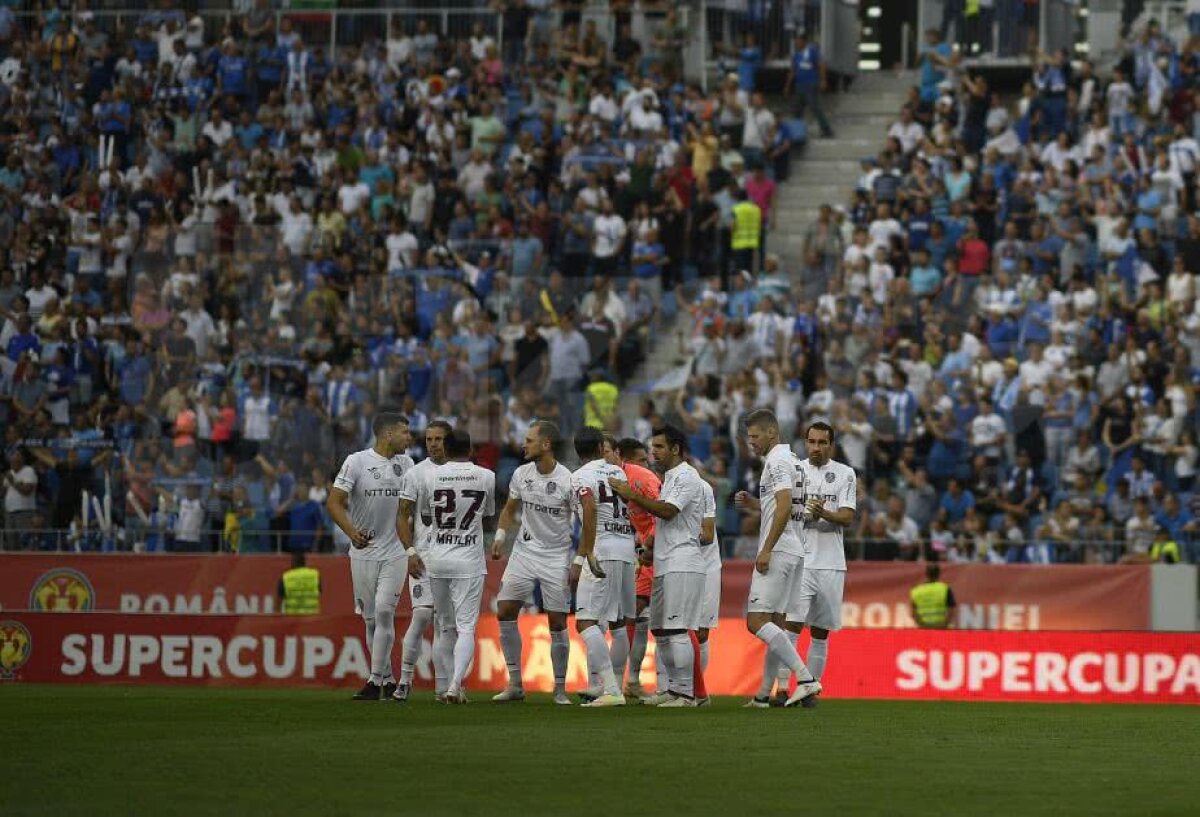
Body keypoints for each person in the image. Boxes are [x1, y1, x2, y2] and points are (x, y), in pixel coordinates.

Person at [607, 424, 706, 707]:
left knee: (677, 628)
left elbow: (668, 511)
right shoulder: (670, 477)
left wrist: (632, 494)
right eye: (653, 447)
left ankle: (687, 694)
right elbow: (664, 522)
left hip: (683, 562)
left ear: (676, 449)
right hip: (665, 560)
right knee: (660, 628)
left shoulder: (687, 476)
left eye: (660, 447)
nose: (653, 452)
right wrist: (651, 548)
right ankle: (673, 689)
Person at [400, 429, 495, 704]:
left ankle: (445, 689)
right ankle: (454, 685)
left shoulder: (429, 476)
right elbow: (487, 514)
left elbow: (428, 516)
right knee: (466, 627)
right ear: (470, 449)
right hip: (468, 560)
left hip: (437, 558)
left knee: (444, 625)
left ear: (446, 448)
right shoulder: (486, 476)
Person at [326, 412, 415, 701]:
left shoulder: (407, 464)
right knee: (371, 620)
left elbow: (411, 509)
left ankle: (374, 680)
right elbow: (334, 502)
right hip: (363, 552)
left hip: (395, 552)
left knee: (385, 611)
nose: (409, 438)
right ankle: (387, 679)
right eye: (405, 432)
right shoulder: (357, 461)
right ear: (388, 434)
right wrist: (352, 532)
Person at [736, 409, 822, 709]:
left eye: (755, 436)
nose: (752, 442)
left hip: (781, 549)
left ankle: (806, 679)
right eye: (749, 437)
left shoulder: (777, 461)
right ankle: (763, 694)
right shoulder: (796, 463)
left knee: (756, 621)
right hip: (795, 549)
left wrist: (767, 548)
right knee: (776, 622)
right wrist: (755, 504)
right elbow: (787, 506)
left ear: (772, 432)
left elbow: (785, 506)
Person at [491, 420, 576, 704]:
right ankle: (515, 684)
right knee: (504, 610)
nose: (523, 444)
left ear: (546, 444)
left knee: (556, 621)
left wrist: (580, 556)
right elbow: (509, 509)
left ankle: (560, 689)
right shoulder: (521, 473)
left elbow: (583, 519)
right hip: (525, 552)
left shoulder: (567, 480)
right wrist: (501, 536)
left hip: (556, 555)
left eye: (529, 440)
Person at [788, 421, 856, 701]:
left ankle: (810, 690)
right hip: (800, 560)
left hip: (830, 562)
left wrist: (823, 513)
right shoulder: (795, 470)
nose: (816, 447)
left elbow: (847, 517)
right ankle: (782, 688)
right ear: (805, 442)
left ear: (831, 445)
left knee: (820, 632)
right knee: (790, 626)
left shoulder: (845, 473)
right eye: (811, 442)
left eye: (822, 442)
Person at [568, 428, 636, 707]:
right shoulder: (617, 473)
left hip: (602, 550)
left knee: (585, 621)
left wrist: (582, 555)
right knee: (618, 622)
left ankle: (611, 689)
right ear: (600, 447)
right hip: (625, 548)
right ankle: (610, 685)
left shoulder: (579, 476)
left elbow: (589, 507)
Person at [390, 419, 450, 702]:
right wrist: (410, 551)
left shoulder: (461, 473)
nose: (433, 444)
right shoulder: (416, 474)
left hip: (452, 558)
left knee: (443, 622)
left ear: (448, 441)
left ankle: (442, 688)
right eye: (429, 439)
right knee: (423, 615)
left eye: (438, 439)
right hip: (423, 557)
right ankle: (404, 680)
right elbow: (402, 515)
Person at [614, 437, 662, 699]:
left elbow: (662, 515)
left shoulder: (643, 479)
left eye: (648, 459)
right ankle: (630, 681)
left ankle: (671, 686)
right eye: (642, 460)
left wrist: (649, 546)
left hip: (658, 553)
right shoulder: (614, 478)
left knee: (664, 622)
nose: (648, 464)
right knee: (636, 614)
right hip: (643, 552)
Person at [910, 562, 957, 628]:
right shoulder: (945, 589)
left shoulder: (916, 591)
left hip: (924, 631)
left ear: (926, 574)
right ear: (938, 574)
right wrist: (943, 626)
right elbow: (951, 610)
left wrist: (923, 626)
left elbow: (913, 613)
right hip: (942, 630)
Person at [278, 549, 321, 615]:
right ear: (304, 562)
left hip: (292, 620)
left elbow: (278, 605)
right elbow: (318, 594)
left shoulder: (285, 577)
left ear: (293, 562)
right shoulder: (315, 575)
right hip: (312, 620)